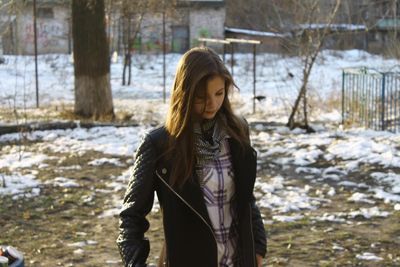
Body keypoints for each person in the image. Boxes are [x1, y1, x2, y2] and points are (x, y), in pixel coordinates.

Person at [117, 47, 267, 267]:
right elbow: (131, 219)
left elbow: (245, 198)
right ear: (184, 94)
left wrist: (258, 247)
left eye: (219, 93)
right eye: (201, 97)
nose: (212, 105)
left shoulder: (236, 132)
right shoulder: (159, 145)